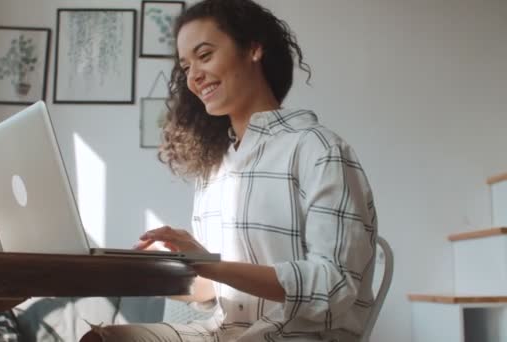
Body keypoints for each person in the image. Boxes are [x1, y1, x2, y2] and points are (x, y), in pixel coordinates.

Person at [81, 0, 377, 341]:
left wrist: (213, 264)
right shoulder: (217, 168)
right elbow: (215, 292)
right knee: (105, 339)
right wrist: (155, 271)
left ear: (253, 47)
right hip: (224, 332)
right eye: (186, 66)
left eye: (204, 56)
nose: (193, 76)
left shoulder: (318, 149)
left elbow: (334, 287)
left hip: (297, 336)